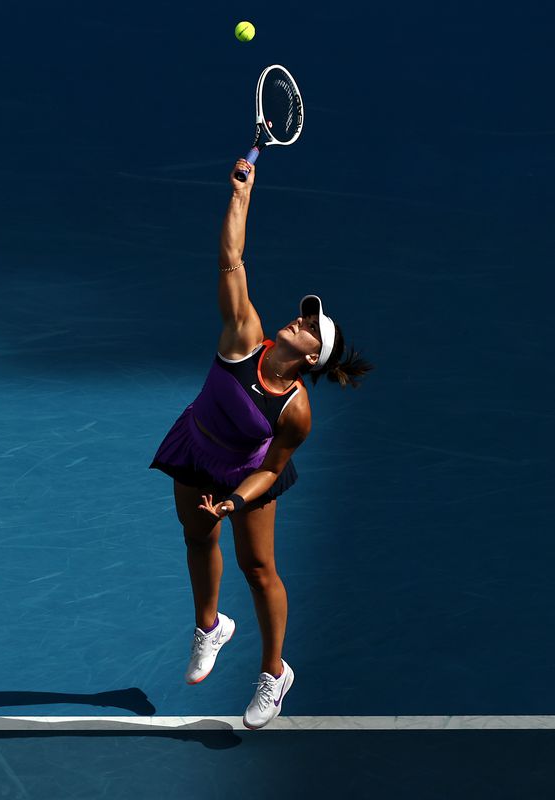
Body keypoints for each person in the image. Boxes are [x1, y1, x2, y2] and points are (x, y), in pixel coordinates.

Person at [149, 159, 372, 729]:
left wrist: (237, 500)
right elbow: (231, 260)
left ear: (311, 357)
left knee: (258, 567)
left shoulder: (296, 412)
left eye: (310, 327)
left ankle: (275, 673)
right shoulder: (244, 333)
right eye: (305, 316)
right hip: (197, 444)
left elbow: (272, 470)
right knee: (196, 536)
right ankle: (209, 626)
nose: (300, 320)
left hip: (246, 472)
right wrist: (241, 196)